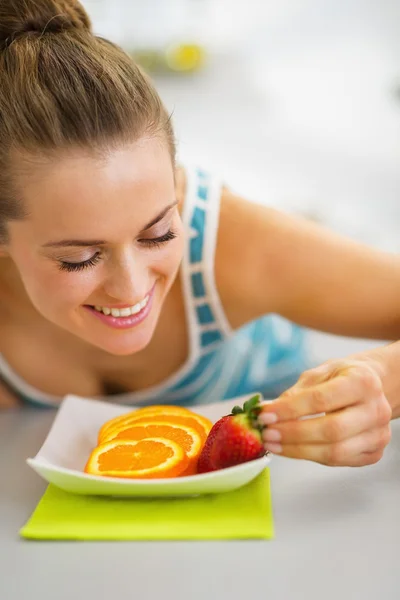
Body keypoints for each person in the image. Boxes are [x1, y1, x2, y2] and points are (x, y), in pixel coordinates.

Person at [0, 0, 398, 469]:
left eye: (159, 233)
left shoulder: (232, 243)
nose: (131, 289)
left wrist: (383, 378)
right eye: (81, 257)